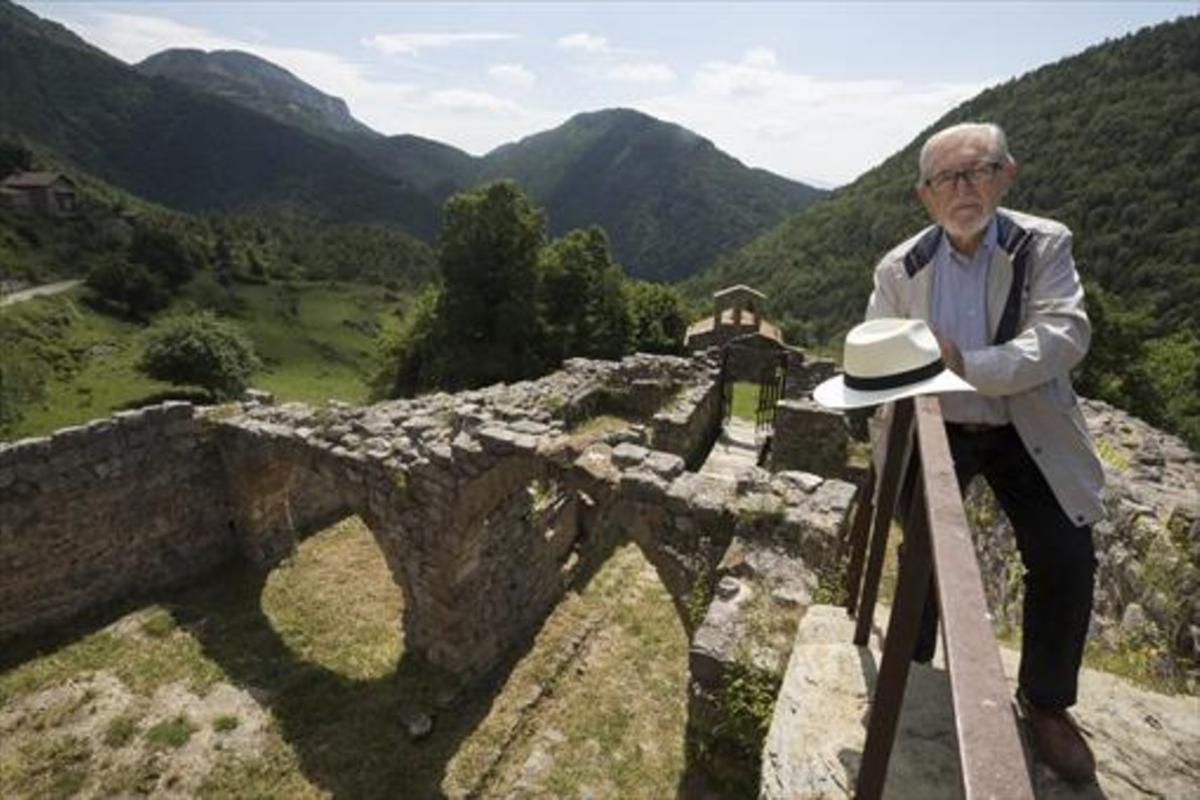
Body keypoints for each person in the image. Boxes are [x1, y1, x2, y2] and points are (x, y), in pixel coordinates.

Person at [864, 122, 1105, 784]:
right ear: (925, 195)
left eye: (978, 171)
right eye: (947, 178)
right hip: (937, 427)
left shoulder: (1043, 245)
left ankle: (1047, 703)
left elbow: (1064, 334)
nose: (963, 188)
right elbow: (877, 340)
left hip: (1022, 426)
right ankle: (910, 671)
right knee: (925, 556)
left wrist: (965, 363)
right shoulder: (899, 267)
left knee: (1064, 553)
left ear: (1006, 174)